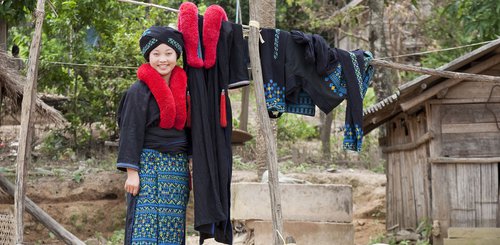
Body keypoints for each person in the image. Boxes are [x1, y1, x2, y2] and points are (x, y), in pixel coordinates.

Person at [116, 26, 191, 245]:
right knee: (143, 226)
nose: (163, 60)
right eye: (156, 54)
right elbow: (130, 131)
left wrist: (192, 166)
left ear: (177, 55)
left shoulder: (186, 90)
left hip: (176, 170)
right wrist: (132, 173)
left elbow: (191, 131)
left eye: (168, 53)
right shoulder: (137, 92)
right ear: (148, 56)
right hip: (147, 167)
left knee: (173, 228)